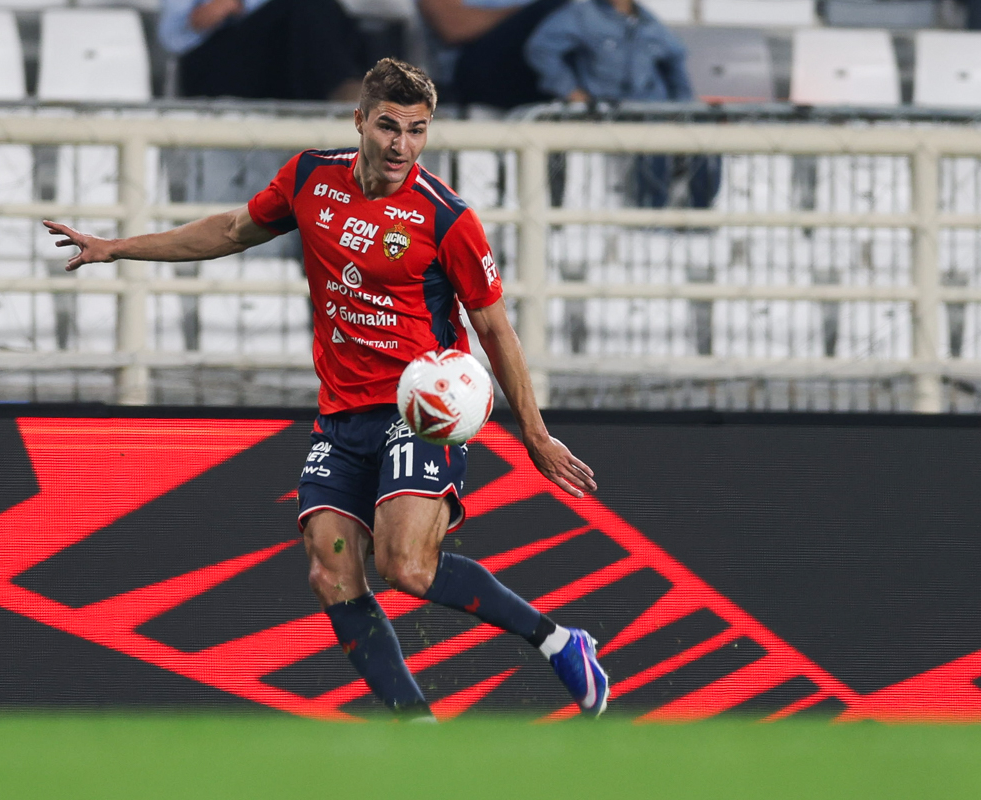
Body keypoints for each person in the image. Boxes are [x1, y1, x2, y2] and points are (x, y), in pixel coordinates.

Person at [43, 58, 608, 720]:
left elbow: (495, 329)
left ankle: (559, 642)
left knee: (406, 566)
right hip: (341, 416)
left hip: (419, 410)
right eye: (389, 126)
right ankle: (416, 726)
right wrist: (117, 247)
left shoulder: (447, 218)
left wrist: (535, 433)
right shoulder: (311, 179)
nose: (402, 145)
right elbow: (230, 231)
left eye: (418, 130)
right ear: (359, 121)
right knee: (330, 572)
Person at [524, 0, 720, 208]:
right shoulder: (582, 14)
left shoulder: (647, 20)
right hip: (609, 111)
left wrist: (683, 108)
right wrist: (572, 91)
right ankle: (651, 217)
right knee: (653, 145)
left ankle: (702, 216)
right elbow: (540, 48)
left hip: (655, 108)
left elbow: (676, 57)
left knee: (708, 139)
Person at [157, 0, 365, 101]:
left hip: (279, 58)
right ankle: (340, 90)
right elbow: (171, 37)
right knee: (306, 6)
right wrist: (219, 9)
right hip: (216, 61)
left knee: (323, 10)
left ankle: (347, 87)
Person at [418, 0, 570, 108]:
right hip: (471, 73)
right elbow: (453, 26)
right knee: (557, 9)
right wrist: (525, 13)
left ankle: (577, 98)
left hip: (537, 69)